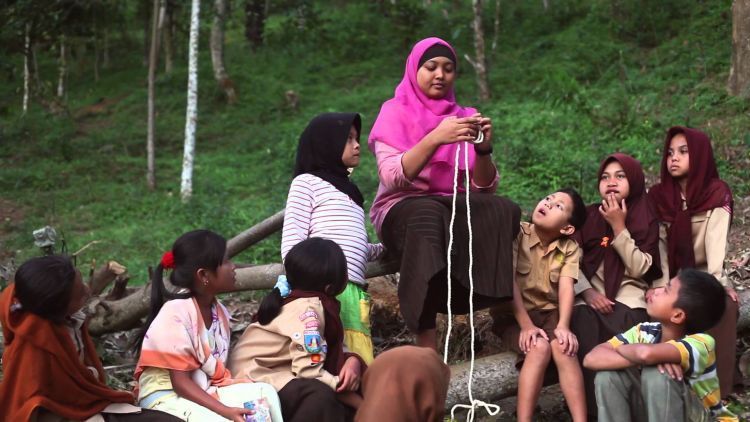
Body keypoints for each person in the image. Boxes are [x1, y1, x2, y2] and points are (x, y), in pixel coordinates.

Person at [368, 36, 520, 349]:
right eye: (431, 67)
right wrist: (436, 137)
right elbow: (393, 176)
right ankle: (425, 335)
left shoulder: (464, 114)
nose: (440, 75)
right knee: (427, 213)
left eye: (448, 69)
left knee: (505, 209)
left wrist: (483, 150)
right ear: (414, 70)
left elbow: (484, 188)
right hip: (403, 208)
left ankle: (485, 300)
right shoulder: (394, 111)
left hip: (452, 208)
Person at [0, 255, 180, 421]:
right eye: (78, 295)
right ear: (58, 309)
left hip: (87, 403)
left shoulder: (64, 322)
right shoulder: (35, 352)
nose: (87, 291)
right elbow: (37, 404)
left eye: (82, 283)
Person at [133, 230, 282, 422]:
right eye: (226, 261)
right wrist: (225, 410)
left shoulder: (217, 310)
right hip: (165, 396)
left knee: (265, 392)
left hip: (203, 388)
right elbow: (180, 384)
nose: (233, 266)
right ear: (204, 275)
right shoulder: (175, 312)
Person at [281, 112, 384, 364]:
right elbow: (292, 244)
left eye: (357, 138)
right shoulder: (307, 183)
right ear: (326, 144)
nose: (357, 144)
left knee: (358, 354)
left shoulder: (351, 193)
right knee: (325, 355)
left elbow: (355, 246)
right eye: (348, 139)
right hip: (321, 291)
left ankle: (360, 402)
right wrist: (308, 287)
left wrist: (385, 249)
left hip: (353, 291)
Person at [230, 238, 366, 422]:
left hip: (272, 372)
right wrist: (361, 405)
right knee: (320, 398)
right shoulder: (308, 313)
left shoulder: (296, 299)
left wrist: (353, 361)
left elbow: (324, 349)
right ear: (330, 287)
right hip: (254, 379)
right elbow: (310, 372)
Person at [648, 126, 740, 397]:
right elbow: (659, 246)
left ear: (699, 155)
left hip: (704, 274)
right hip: (671, 277)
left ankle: (718, 395)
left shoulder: (716, 193)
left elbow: (715, 247)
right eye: (670, 153)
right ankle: (673, 391)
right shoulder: (658, 197)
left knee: (723, 305)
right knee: (662, 306)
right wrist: (661, 285)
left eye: (683, 152)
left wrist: (718, 282)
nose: (673, 158)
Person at [569, 153, 663, 416]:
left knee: (631, 323)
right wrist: (586, 291)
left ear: (633, 181)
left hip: (629, 301)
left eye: (620, 176)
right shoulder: (586, 216)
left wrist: (619, 228)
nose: (611, 182)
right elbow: (567, 260)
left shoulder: (646, 218)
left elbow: (641, 268)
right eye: (605, 177)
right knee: (580, 321)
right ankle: (591, 413)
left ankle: (631, 409)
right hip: (589, 300)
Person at [583, 269, 738, 421]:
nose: (656, 291)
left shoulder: (701, 343)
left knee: (659, 375)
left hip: (702, 417)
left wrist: (644, 358)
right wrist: (646, 359)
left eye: (666, 290)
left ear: (677, 315)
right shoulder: (644, 331)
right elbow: (591, 359)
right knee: (608, 375)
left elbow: (645, 354)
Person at [495, 189, 587, 421]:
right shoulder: (518, 234)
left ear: (567, 228)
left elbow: (566, 288)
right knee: (539, 348)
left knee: (564, 348)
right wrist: (526, 325)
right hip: (513, 315)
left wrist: (564, 326)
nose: (547, 202)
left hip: (549, 314)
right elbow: (509, 282)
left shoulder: (570, 249)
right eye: (548, 198)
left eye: (558, 206)